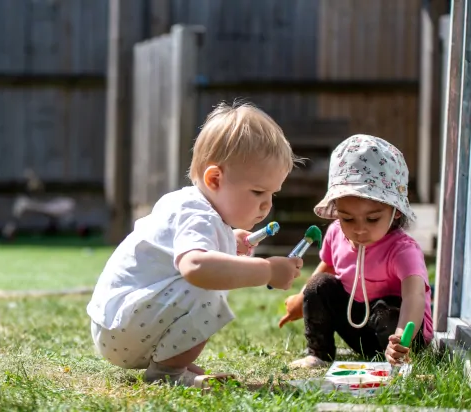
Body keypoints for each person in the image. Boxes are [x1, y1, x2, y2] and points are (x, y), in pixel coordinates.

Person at [86, 100, 304, 387]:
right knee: (208, 284)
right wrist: (266, 270)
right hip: (124, 329)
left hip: (118, 326)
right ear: (214, 179)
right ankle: (167, 375)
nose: (266, 205)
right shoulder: (197, 214)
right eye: (258, 191)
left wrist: (229, 241)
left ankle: (174, 364)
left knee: (210, 278)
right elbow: (196, 266)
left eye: (272, 194)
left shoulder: (190, 205)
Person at [279, 134, 432, 369]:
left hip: (400, 330)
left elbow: (415, 297)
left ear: (396, 211)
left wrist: (402, 337)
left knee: (387, 312)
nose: (360, 229)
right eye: (347, 218)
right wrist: (302, 300)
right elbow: (326, 268)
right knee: (318, 284)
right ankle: (318, 353)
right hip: (360, 329)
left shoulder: (402, 250)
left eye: (372, 219)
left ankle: (397, 356)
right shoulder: (335, 234)